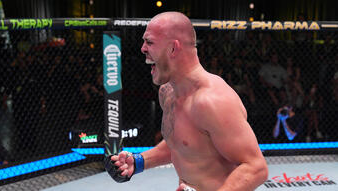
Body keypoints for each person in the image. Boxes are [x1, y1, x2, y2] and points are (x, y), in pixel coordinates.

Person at [105, 12, 268, 191]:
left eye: (149, 42)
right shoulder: (167, 92)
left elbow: (256, 168)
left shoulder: (212, 101)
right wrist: (139, 161)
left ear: (173, 48)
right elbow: (183, 143)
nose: (143, 48)